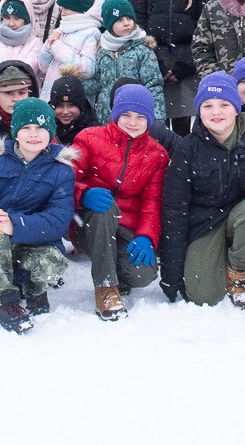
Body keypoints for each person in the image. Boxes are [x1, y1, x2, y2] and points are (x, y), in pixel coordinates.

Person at [0, 97, 77, 335]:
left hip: (35, 241)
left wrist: (16, 224)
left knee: (52, 262)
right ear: (16, 132)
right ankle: (4, 300)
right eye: (26, 128)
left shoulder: (61, 172)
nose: (33, 134)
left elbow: (58, 220)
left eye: (41, 127)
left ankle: (35, 290)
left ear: (50, 132)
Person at [158, 72, 245, 309]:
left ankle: (238, 275)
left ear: (236, 109)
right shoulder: (188, 148)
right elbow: (175, 209)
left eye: (224, 105)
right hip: (204, 223)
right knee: (202, 296)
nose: (216, 112)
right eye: (208, 105)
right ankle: (215, 258)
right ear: (199, 111)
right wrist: (172, 274)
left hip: (243, 218)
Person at [71, 82, 170, 319]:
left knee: (143, 275)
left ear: (149, 119)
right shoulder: (89, 138)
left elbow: (152, 202)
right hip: (88, 221)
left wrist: (146, 236)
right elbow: (64, 179)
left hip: (125, 226)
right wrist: (83, 194)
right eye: (126, 115)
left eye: (140, 116)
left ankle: (113, 269)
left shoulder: (157, 155)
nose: (132, 122)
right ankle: (106, 287)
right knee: (107, 205)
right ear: (115, 114)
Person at [131, 0, 202, 126]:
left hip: (188, 61)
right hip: (154, 60)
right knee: (157, 124)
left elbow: (204, 26)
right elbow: (137, 23)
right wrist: (155, 62)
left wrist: (185, 62)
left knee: (183, 124)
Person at [90, 0, 166, 123]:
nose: (126, 23)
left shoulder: (142, 49)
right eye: (119, 20)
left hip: (134, 116)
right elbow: (98, 83)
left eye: (129, 18)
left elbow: (154, 85)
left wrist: (157, 118)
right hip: (106, 119)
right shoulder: (102, 49)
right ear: (109, 24)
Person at [0, 0, 54, 96]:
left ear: (25, 20)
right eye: (7, 17)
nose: (11, 23)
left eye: (16, 18)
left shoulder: (35, 43)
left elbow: (27, 69)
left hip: (27, 97)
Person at [44, 0, 103, 83]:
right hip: (50, 92)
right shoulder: (62, 29)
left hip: (71, 94)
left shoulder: (92, 33)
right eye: (61, 8)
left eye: (66, 8)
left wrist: (57, 46)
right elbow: (43, 67)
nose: (62, 13)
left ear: (79, 9)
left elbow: (87, 70)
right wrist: (48, 47)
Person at [49, 75, 98, 144]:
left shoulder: (93, 133)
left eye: (71, 105)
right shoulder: (46, 130)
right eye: (60, 106)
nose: (65, 112)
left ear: (81, 107)